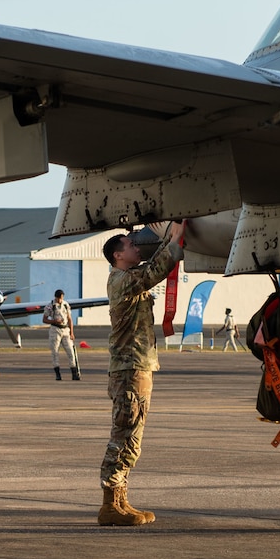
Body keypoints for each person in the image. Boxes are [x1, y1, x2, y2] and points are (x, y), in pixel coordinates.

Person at [97, 221, 185, 526]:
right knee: (123, 436)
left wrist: (168, 239)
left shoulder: (128, 275)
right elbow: (155, 271)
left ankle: (120, 500)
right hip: (129, 369)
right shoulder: (122, 280)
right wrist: (175, 240)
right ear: (118, 256)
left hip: (138, 367)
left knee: (132, 436)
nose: (137, 246)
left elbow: (153, 264)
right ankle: (109, 504)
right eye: (130, 245)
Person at [44, 289, 80, 381]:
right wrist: (54, 321)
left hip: (65, 330)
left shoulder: (65, 305)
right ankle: (57, 373)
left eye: (61, 298)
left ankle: (74, 373)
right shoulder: (50, 306)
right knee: (55, 352)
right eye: (59, 298)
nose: (60, 300)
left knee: (71, 351)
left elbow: (69, 319)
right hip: (55, 330)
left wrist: (72, 332)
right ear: (56, 297)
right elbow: (44, 319)